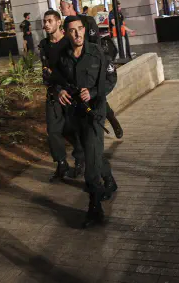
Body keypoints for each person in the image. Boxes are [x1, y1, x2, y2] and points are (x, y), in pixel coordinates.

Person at [55, 15, 118, 228]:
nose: (77, 33)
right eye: (72, 30)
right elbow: (56, 80)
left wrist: (93, 92)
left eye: (80, 29)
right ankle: (109, 180)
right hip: (75, 115)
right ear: (66, 33)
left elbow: (111, 79)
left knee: (91, 164)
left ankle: (95, 208)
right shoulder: (63, 55)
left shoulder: (97, 52)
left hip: (94, 114)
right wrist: (59, 90)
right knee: (93, 154)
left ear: (84, 29)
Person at [60, 0, 124, 139]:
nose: (60, 8)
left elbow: (97, 43)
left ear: (70, 6)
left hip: (91, 65)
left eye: (62, 6)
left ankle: (111, 120)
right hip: (75, 66)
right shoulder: (65, 24)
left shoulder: (87, 21)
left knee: (98, 97)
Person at [39, 9, 85, 180]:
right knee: (53, 130)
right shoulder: (44, 44)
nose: (46, 24)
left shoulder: (68, 42)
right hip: (54, 92)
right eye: (45, 21)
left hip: (71, 93)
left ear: (59, 22)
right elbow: (46, 71)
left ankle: (80, 160)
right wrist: (55, 86)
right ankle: (61, 163)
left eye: (50, 21)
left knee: (74, 128)